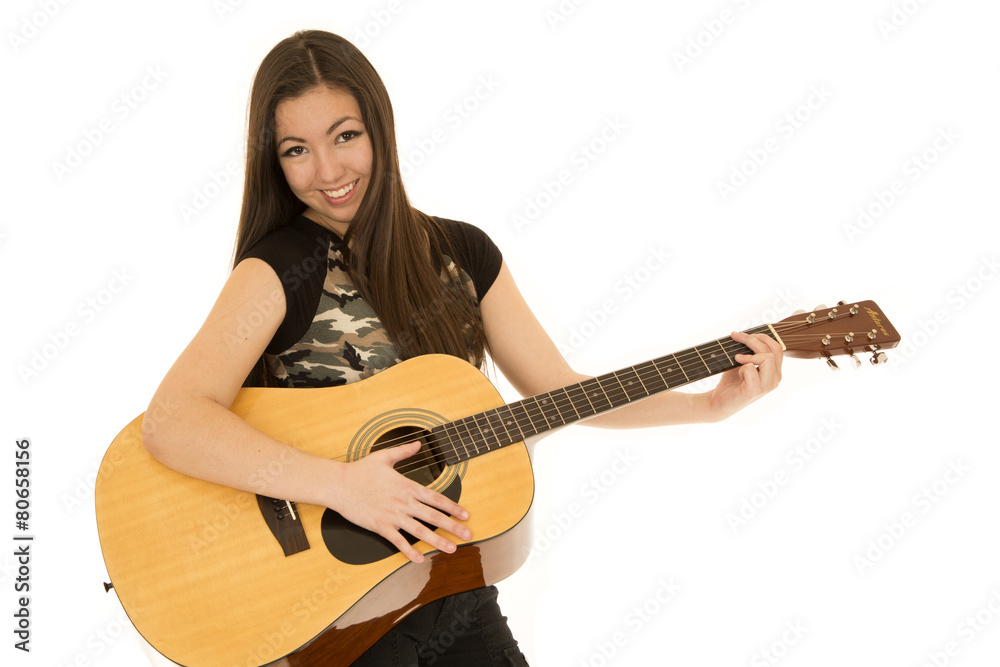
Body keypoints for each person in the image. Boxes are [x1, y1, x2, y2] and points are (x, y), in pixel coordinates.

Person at [141, 29, 783, 666]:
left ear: (380, 130)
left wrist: (708, 407)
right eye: (296, 150)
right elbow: (172, 422)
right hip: (336, 620)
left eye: (346, 136)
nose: (329, 172)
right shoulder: (277, 269)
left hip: (452, 589)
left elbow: (560, 393)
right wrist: (342, 485)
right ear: (273, 161)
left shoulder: (463, 256)